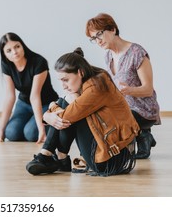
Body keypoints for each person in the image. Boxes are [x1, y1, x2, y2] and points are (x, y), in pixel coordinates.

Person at [26, 48, 140, 177]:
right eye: (61, 81)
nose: (63, 86)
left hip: (110, 159)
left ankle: (51, 156)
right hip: (109, 150)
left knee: (68, 106)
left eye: (65, 80)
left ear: (80, 72)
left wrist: (49, 112)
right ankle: (56, 157)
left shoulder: (96, 86)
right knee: (68, 103)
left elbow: (65, 117)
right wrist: (49, 114)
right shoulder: (93, 78)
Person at [85, 13, 160, 159]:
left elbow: (148, 89)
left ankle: (141, 134)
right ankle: (141, 135)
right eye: (93, 39)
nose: (98, 41)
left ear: (112, 29)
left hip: (143, 109)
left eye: (99, 34)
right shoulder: (108, 55)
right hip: (122, 107)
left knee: (112, 118)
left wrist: (128, 90)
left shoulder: (137, 52)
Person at [0, 32, 59, 143]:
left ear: (22, 45)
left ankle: (48, 126)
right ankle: (31, 122)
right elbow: (10, 96)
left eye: (17, 47)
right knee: (11, 133)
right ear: (4, 54)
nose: (14, 52)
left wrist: (41, 130)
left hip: (45, 103)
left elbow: (35, 96)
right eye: (9, 50)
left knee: (31, 134)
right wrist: (1, 130)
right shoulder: (6, 65)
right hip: (24, 104)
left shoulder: (39, 62)